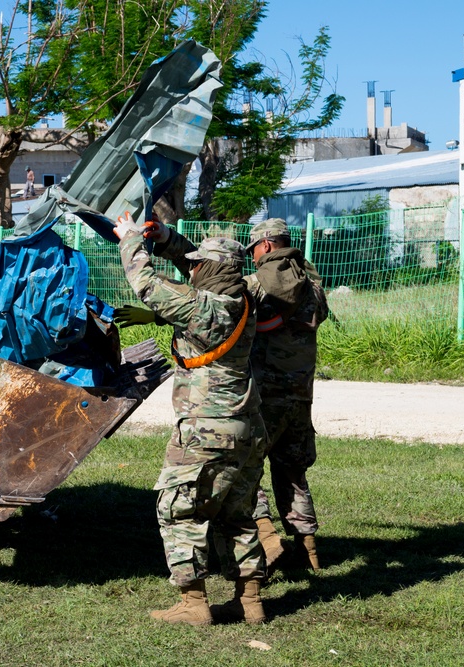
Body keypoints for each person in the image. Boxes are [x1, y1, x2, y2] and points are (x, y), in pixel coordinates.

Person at [114, 214, 269, 626]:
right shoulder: (246, 298)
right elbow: (201, 267)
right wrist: (166, 240)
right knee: (237, 514)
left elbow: (146, 284)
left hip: (205, 430)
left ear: (210, 270)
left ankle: (193, 604)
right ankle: (249, 601)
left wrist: (131, 240)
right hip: (248, 427)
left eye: (198, 264)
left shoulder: (200, 308)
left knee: (179, 510)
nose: (192, 268)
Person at [243, 218, 329, 572]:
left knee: (245, 469)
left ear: (266, 245)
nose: (252, 258)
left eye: (253, 250)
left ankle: (267, 537)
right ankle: (309, 552)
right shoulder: (312, 283)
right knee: (293, 472)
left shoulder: (257, 284)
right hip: (300, 395)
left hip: (264, 396)